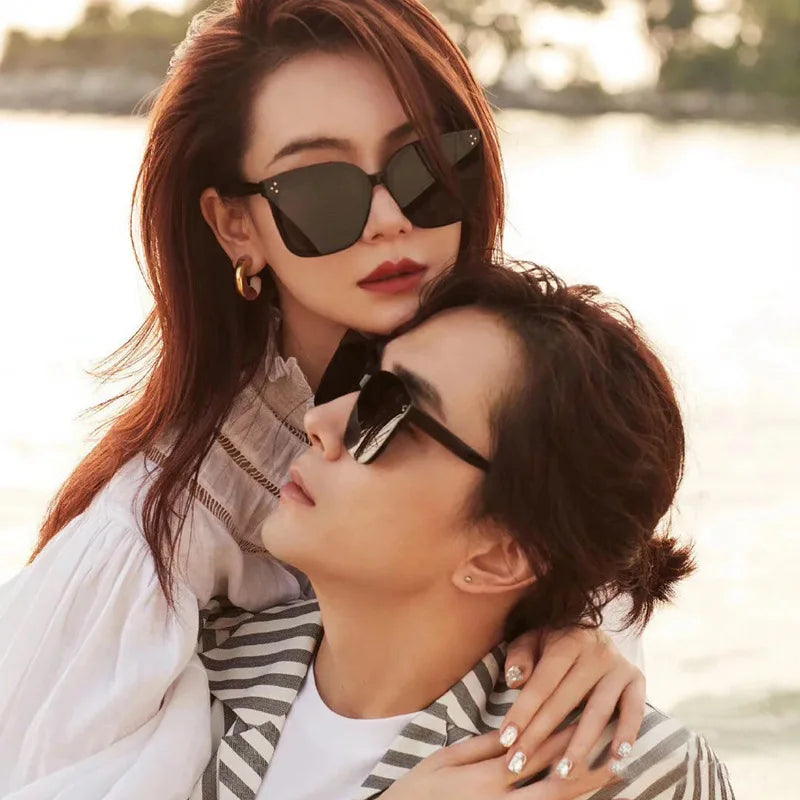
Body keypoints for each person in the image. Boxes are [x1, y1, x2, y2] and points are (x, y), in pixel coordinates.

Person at [0, 2, 641, 798]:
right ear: (237, 226)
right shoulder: (157, 537)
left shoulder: (535, 410)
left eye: (425, 166)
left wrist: (583, 633)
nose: (390, 219)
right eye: (321, 190)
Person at [195, 263, 734, 800]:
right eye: (361, 378)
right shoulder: (190, 666)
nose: (320, 421)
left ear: (502, 556)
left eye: (388, 412)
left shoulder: (634, 777)